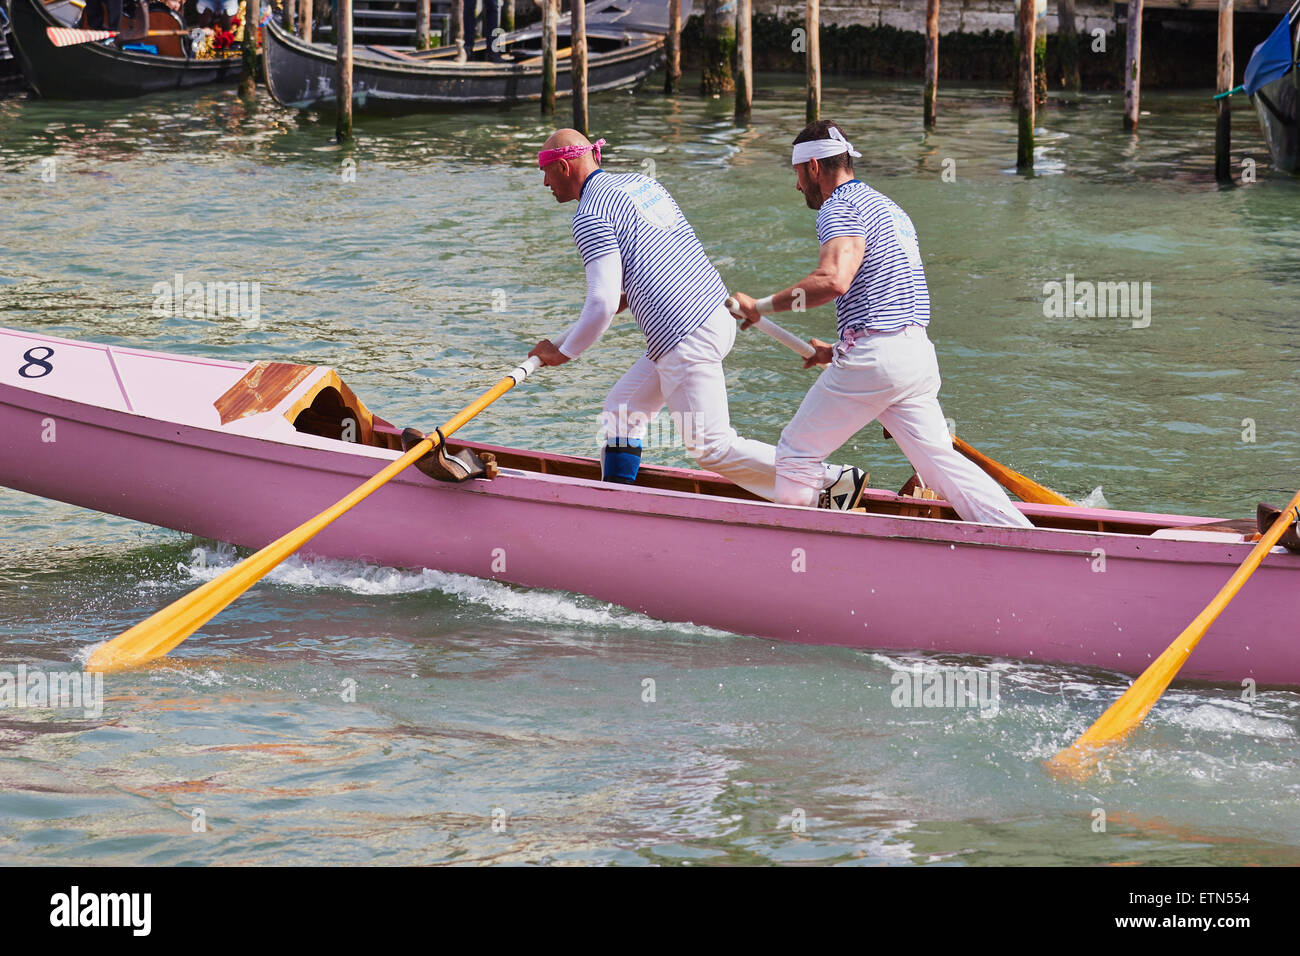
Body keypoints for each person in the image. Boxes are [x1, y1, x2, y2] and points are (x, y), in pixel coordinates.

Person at [528, 129, 866, 508]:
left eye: (545, 171)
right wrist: (634, 289)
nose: (544, 181)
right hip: (714, 312)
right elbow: (661, 248)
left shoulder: (590, 214)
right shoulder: (641, 184)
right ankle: (617, 502)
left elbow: (601, 304)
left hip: (682, 334)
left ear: (562, 166)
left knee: (711, 448)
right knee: (621, 413)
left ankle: (832, 479)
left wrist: (564, 352)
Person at [729, 120, 1032, 528]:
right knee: (945, 469)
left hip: (878, 358)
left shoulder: (840, 207)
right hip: (915, 355)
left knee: (795, 454)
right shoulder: (890, 208)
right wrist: (834, 351)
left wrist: (761, 306)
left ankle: (796, 555)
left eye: (797, 174)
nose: (798, 186)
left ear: (814, 167)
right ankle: (1021, 538)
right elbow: (886, 299)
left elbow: (835, 280)